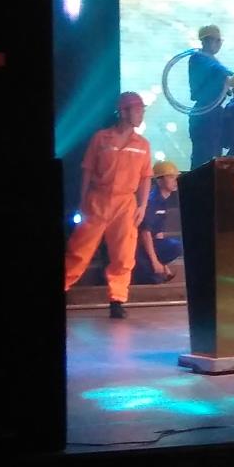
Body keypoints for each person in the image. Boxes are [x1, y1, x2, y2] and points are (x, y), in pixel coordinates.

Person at [62, 90, 154, 318]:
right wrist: (82, 201)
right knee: (79, 250)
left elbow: (146, 177)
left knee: (123, 254)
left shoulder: (143, 144)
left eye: (142, 110)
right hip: (97, 200)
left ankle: (117, 300)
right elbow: (87, 170)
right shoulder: (101, 138)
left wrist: (142, 206)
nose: (141, 114)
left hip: (125, 204)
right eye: (137, 110)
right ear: (123, 112)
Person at [187, 25, 233, 169]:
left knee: (215, 157)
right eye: (216, 40)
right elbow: (212, 68)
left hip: (214, 113)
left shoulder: (212, 60)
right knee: (203, 158)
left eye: (220, 41)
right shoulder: (198, 58)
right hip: (203, 114)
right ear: (206, 41)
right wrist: (227, 72)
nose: (219, 44)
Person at [133, 160, 183, 284]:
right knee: (152, 279)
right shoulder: (152, 201)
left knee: (176, 246)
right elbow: (145, 233)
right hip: (137, 248)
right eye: (171, 177)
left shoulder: (163, 201)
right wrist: (155, 261)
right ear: (159, 180)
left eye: (176, 177)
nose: (175, 181)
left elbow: (158, 234)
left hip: (149, 245)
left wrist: (163, 265)